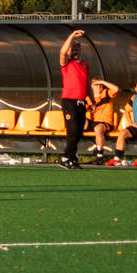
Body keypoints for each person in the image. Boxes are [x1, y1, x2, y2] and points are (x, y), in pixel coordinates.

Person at [58, 29, 88, 169]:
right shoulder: (67, 63)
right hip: (69, 101)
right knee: (73, 131)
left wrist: (91, 100)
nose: (75, 50)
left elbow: (85, 84)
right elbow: (62, 52)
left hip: (81, 102)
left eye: (77, 48)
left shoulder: (84, 65)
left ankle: (72, 158)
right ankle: (66, 158)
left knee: (79, 132)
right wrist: (72, 35)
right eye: (72, 48)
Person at [86, 78, 120, 165]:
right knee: (77, 123)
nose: (99, 87)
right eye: (96, 85)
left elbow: (116, 89)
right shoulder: (88, 98)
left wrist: (102, 81)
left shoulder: (106, 93)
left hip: (105, 122)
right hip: (92, 122)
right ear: (92, 86)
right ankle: (72, 154)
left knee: (98, 128)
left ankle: (99, 156)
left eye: (100, 85)